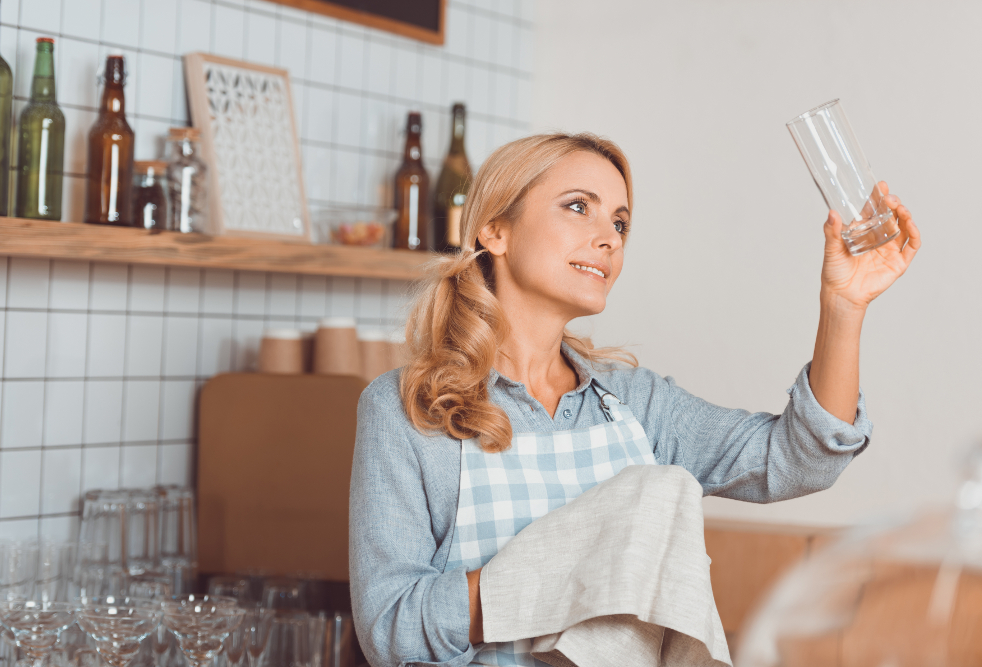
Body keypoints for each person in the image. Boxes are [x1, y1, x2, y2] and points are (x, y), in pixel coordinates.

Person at [349, 133, 920, 667]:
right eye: (579, 206)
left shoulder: (632, 402)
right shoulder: (410, 409)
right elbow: (389, 628)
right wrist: (567, 562)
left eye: (620, 223)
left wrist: (844, 308)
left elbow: (798, 461)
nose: (609, 238)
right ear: (494, 231)